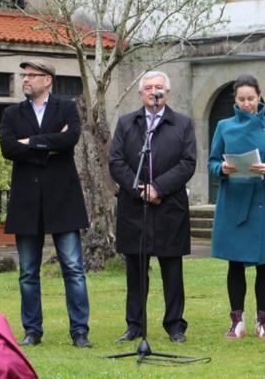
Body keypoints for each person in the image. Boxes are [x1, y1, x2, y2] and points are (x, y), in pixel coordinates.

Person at [0, 60, 91, 348]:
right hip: (27, 202)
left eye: (31, 75)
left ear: (47, 79)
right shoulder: (12, 113)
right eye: (23, 75)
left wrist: (30, 142)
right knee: (28, 272)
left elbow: (70, 138)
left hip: (63, 199)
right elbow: (8, 148)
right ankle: (32, 331)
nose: (25, 79)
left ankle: (79, 331)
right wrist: (49, 145)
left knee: (73, 268)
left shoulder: (66, 108)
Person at [109, 71, 197, 344]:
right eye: (148, 87)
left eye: (158, 87)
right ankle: (134, 324)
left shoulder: (182, 124)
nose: (153, 91)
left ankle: (175, 325)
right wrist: (139, 189)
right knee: (136, 271)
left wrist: (158, 188)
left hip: (169, 207)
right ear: (140, 94)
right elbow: (116, 161)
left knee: (172, 270)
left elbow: (187, 162)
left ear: (166, 93)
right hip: (135, 207)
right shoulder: (127, 123)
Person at [209, 74, 265, 340]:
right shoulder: (223, 126)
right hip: (233, 200)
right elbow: (212, 162)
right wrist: (222, 168)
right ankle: (237, 322)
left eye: (251, 99)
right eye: (242, 99)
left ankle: (263, 323)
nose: (246, 104)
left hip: (262, 201)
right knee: (235, 263)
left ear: (259, 97)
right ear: (235, 100)